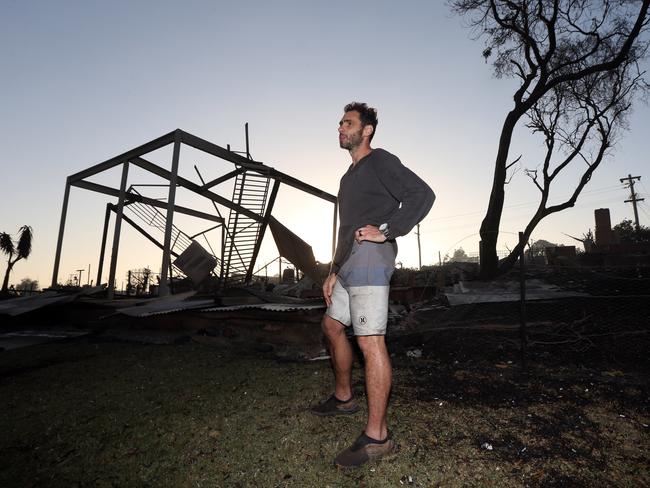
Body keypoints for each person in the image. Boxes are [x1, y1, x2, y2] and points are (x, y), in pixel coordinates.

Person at [311, 102, 435, 468]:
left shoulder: (380, 160)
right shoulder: (347, 178)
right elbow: (346, 229)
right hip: (348, 262)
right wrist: (333, 270)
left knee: (370, 340)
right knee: (331, 326)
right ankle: (345, 396)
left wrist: (387, 231)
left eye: (347, 123)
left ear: (367, 131)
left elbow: (422, 195)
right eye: (340, 123)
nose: (340, 127)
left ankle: (378, 436)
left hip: (370, 260)